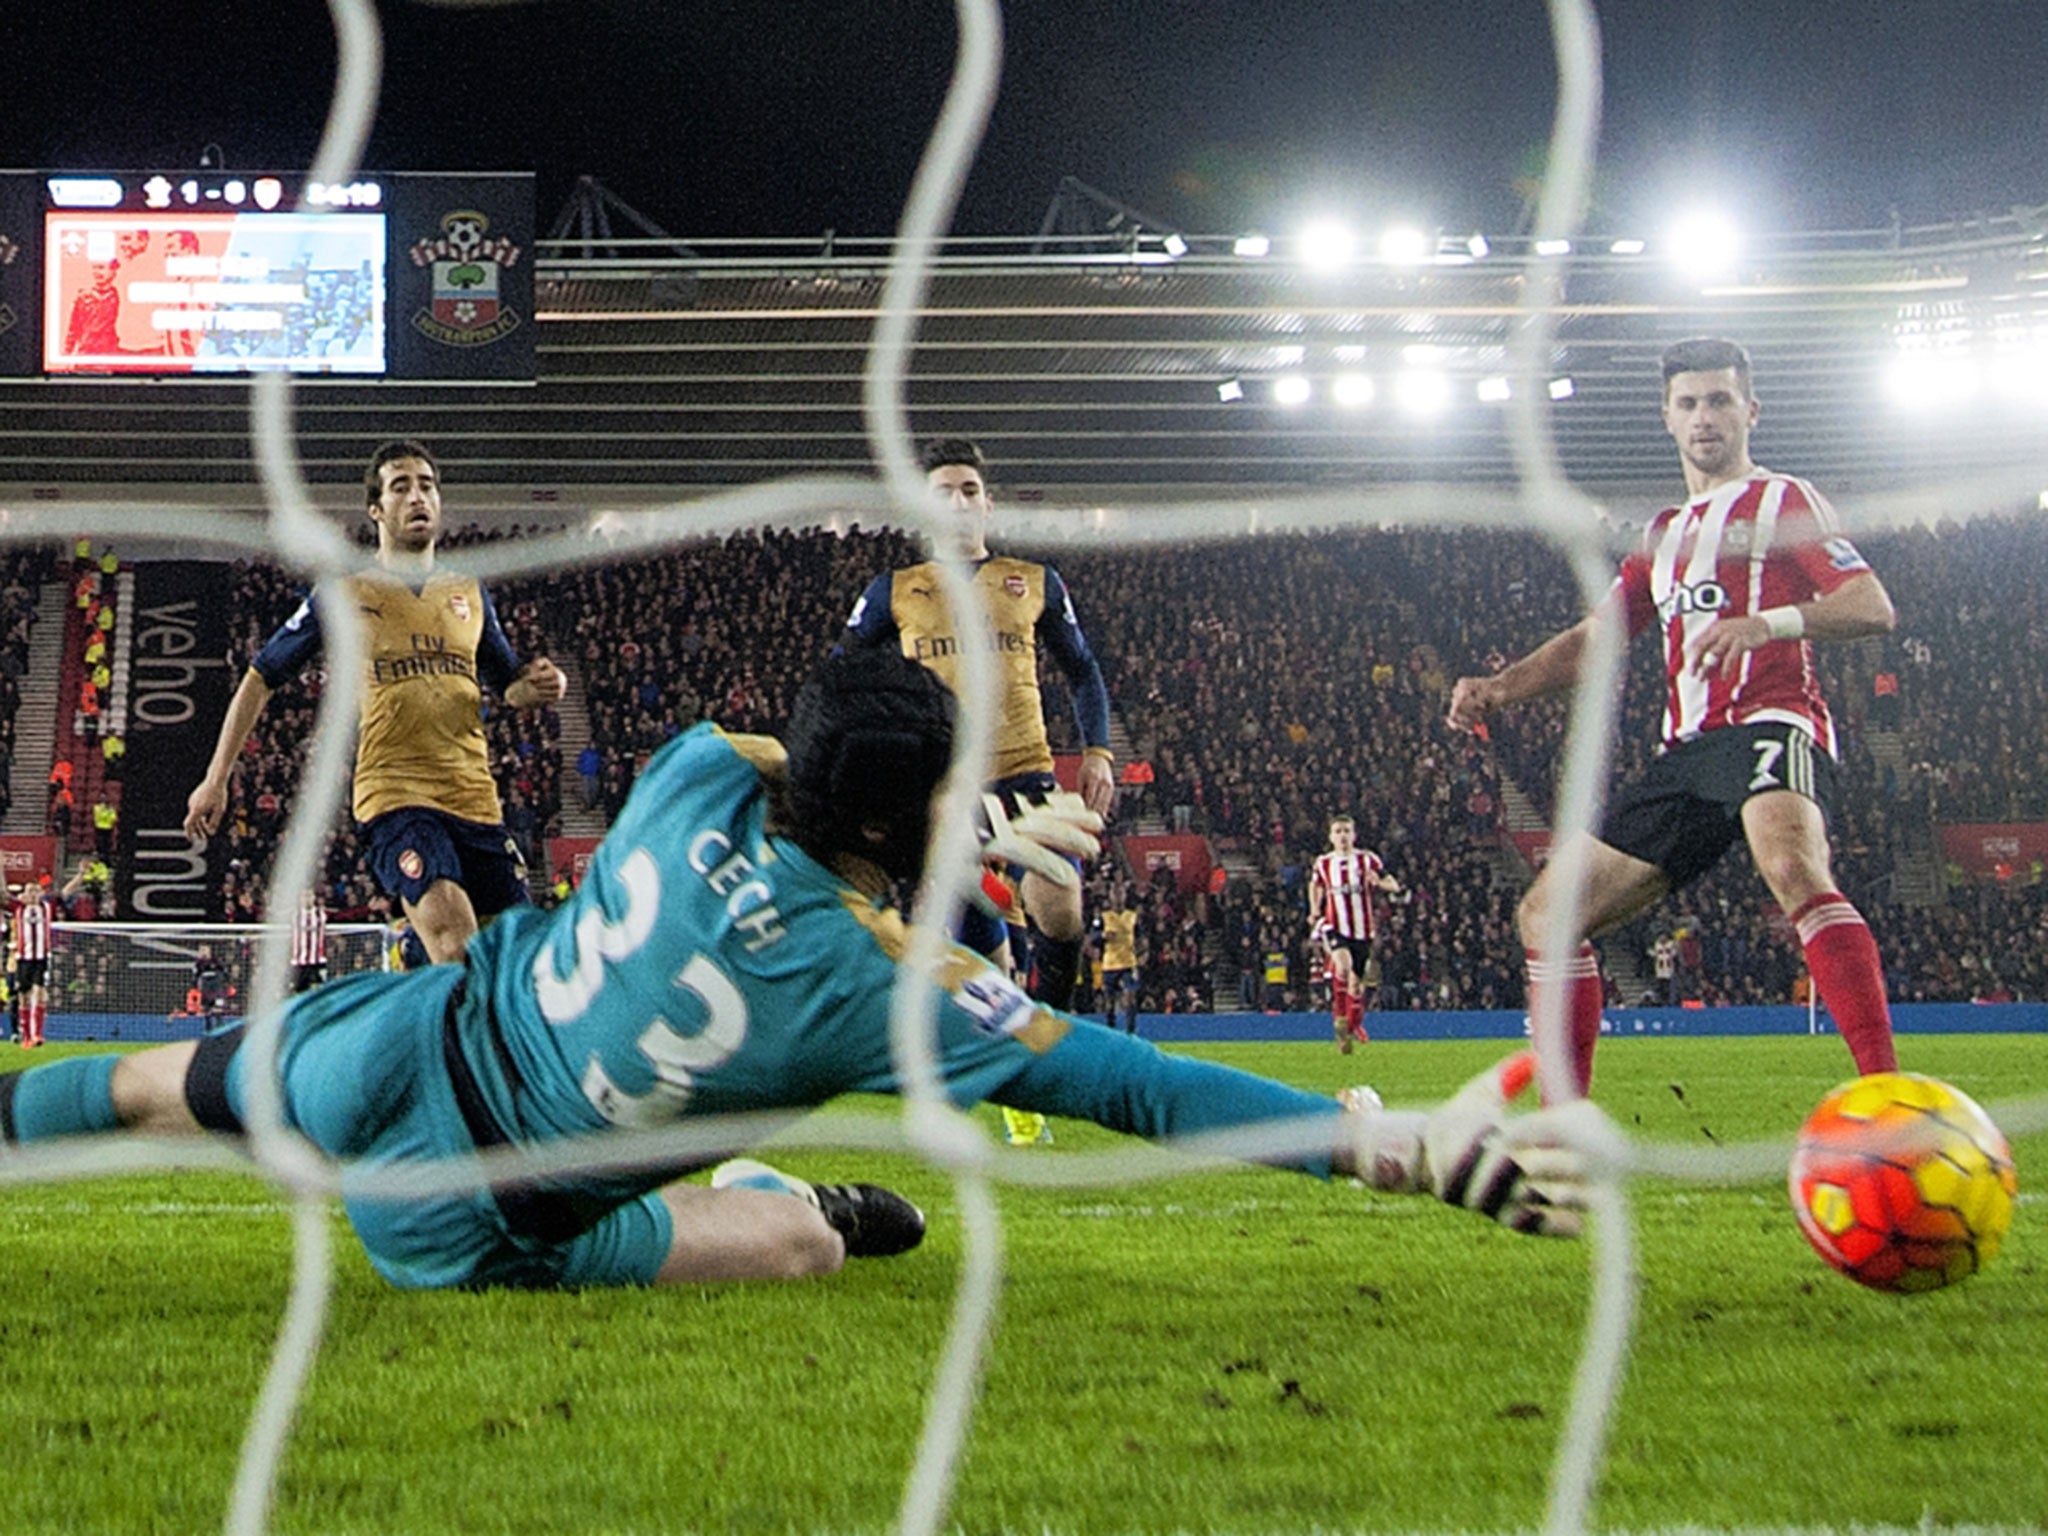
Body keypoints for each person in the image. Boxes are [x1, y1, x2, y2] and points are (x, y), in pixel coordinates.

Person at [0, 651, 1583, 1293]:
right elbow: (1142, 1087)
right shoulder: (879, 986)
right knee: (798, 1252)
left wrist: (944, 826)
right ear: (914, 823)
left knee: (142, 1088)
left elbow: (791, 760)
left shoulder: (695, 769)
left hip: (393, 1041)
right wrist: (1394, 1148)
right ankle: (801, 1197)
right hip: (464, 1218)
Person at [1447, 337, 1900, 1095]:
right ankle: (1567, 1120)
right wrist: (1502, 686)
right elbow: (1599, 638)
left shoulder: (1783, 500)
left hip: (1772, 720)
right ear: (1666, 417)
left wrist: (1767, 624)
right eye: (1688, 403)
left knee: (1789, 863)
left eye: (1720, 400)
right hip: (1689, 752)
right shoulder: (1661, 537)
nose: (1704, 417)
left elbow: (1870, 605)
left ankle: (1890, 1097)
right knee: (1546, 915)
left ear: (1751, 411)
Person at [183, 440, 569, 965]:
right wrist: (216, 776)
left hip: (476, 799)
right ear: (376, 509)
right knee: (455, 946)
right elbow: (260, 676)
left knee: (515, 958)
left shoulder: (468, 593)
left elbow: (510, 684)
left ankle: (408, 954)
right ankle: (428, 980)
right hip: (396, 796)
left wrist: (542, 685)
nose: (417, 497)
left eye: (427, 486)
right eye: (401, 487)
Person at [842, 439, 1118, 1147]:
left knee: (1061, 911)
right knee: (976, 957)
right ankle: (1014, 1082)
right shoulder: (893, 592)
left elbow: (1083, 672)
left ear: (987, 500)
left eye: (970, 489)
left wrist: (1098, 750)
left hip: (1028, 774)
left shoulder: (1034, 580)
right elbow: (842, 679)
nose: (959, 501)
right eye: (945, 490)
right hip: (941, 789)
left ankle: (1038, 1042)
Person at [1307, 815, 1401, 1054]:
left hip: (1362, 931)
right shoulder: (1324, 863)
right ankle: (1340, 1019)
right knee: (1343, 965)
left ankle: (1353, 1025)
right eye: (1337, 831)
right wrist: (1315, 909)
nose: (1342, 836)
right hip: (1334, 925)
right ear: (1331, 837)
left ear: (1354, 835)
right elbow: (1315, 885)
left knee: (1357, 987)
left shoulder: (1367, 859)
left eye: (1347, 830)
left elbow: (1394, 884)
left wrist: (1379, 884)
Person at [9, 881, 52, 1049]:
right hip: (23, 959)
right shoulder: (18, 909)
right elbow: (3, 894)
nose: (33, 894)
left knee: (40, 992)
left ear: (41, 893)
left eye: (36, 890)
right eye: (29, 891)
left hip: (41, 958)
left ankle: (38, 1034)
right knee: (23, 997)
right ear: (25, 894)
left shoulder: (47, 907)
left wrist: (80, 875)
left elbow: (64, 892)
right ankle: (26, 1036)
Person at [1097, 882, 1140, 1035]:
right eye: (1115, 893)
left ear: (1125, 895)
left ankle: (1131, 1032)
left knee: (1130, 997)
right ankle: (1111, 1031)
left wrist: (1141, 954)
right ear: (1110, 896)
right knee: (1109, 1002)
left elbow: (1142, 938)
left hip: (1129, 963)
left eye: (1121, 893)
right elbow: (1093, 938)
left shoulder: (1132, 916)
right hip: (1110, 964)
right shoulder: (1103, 917)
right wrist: (1102, 936)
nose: (1118, 897)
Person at [292, 888, 329, 994]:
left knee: (320, 992)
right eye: (304, 896)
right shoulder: (295, 915)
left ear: (314, 898)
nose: (307, 899)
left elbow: (343, 915)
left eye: (309, 896)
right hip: (299, 962)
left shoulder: (321, 914)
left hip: (318, 961)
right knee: (299, 992)